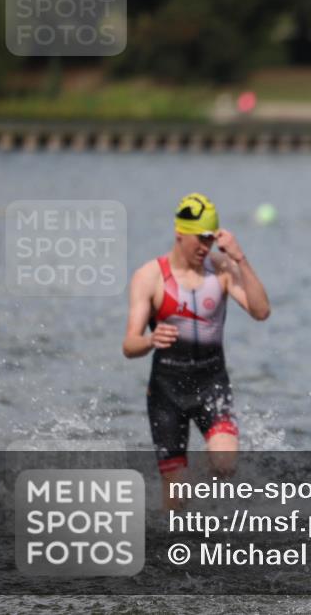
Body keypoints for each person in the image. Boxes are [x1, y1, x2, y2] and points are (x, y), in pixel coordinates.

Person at [123, 193, 270, 509]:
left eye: (210, 238)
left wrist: (240, 258)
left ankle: (200, 486)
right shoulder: (149, 277)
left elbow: (261, 311)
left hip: (211, 382)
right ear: (180, 234)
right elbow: (129, 345)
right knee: (175, 505)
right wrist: (150, 340)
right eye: (199, 239)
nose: (205, 246)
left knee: (225, 464)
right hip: (166, 392)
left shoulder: (222, 270)